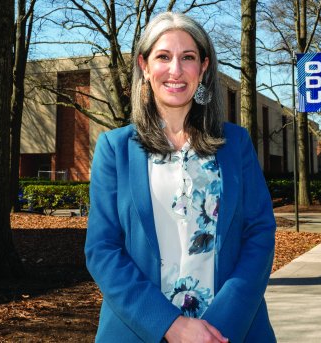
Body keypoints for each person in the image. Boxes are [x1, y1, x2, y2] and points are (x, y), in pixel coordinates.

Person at [85, 12, 276, 343]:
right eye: (163, 56)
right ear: (144, 66)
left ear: (202, 68)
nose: (175, 70)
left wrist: (217, 327)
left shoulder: (236, 144)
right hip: (139, 330)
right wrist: (170, 325)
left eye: (187, 57)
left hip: (231, 330)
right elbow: (102, 250)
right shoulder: (114, 149)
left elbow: (259, 233)